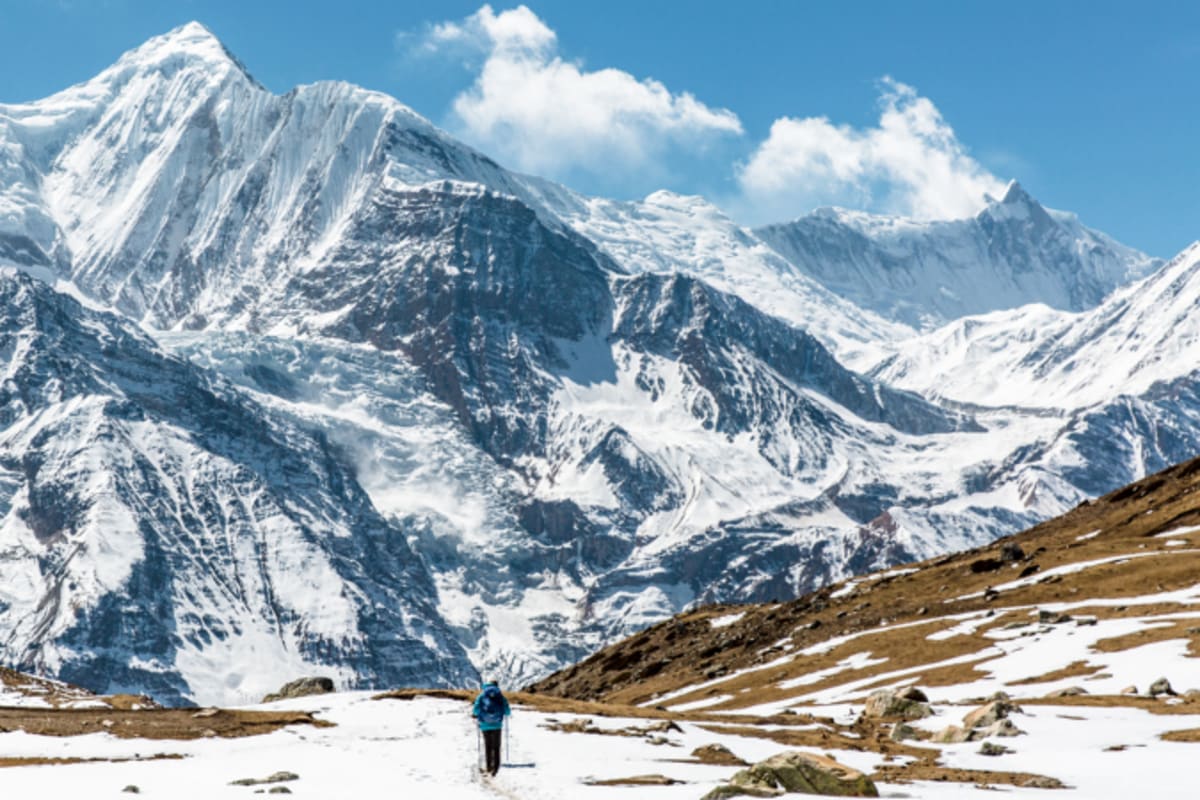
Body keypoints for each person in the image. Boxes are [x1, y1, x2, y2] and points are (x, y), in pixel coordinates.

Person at [471, 680, 511, 776]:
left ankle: (489, 767)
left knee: (488, 746)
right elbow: (507, 711)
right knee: (496, 746)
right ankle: (496, 767)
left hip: (485, 724)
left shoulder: (482, 695)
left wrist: (476, 715)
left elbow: (476, 709)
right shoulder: (500, 696)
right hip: (497, 724)